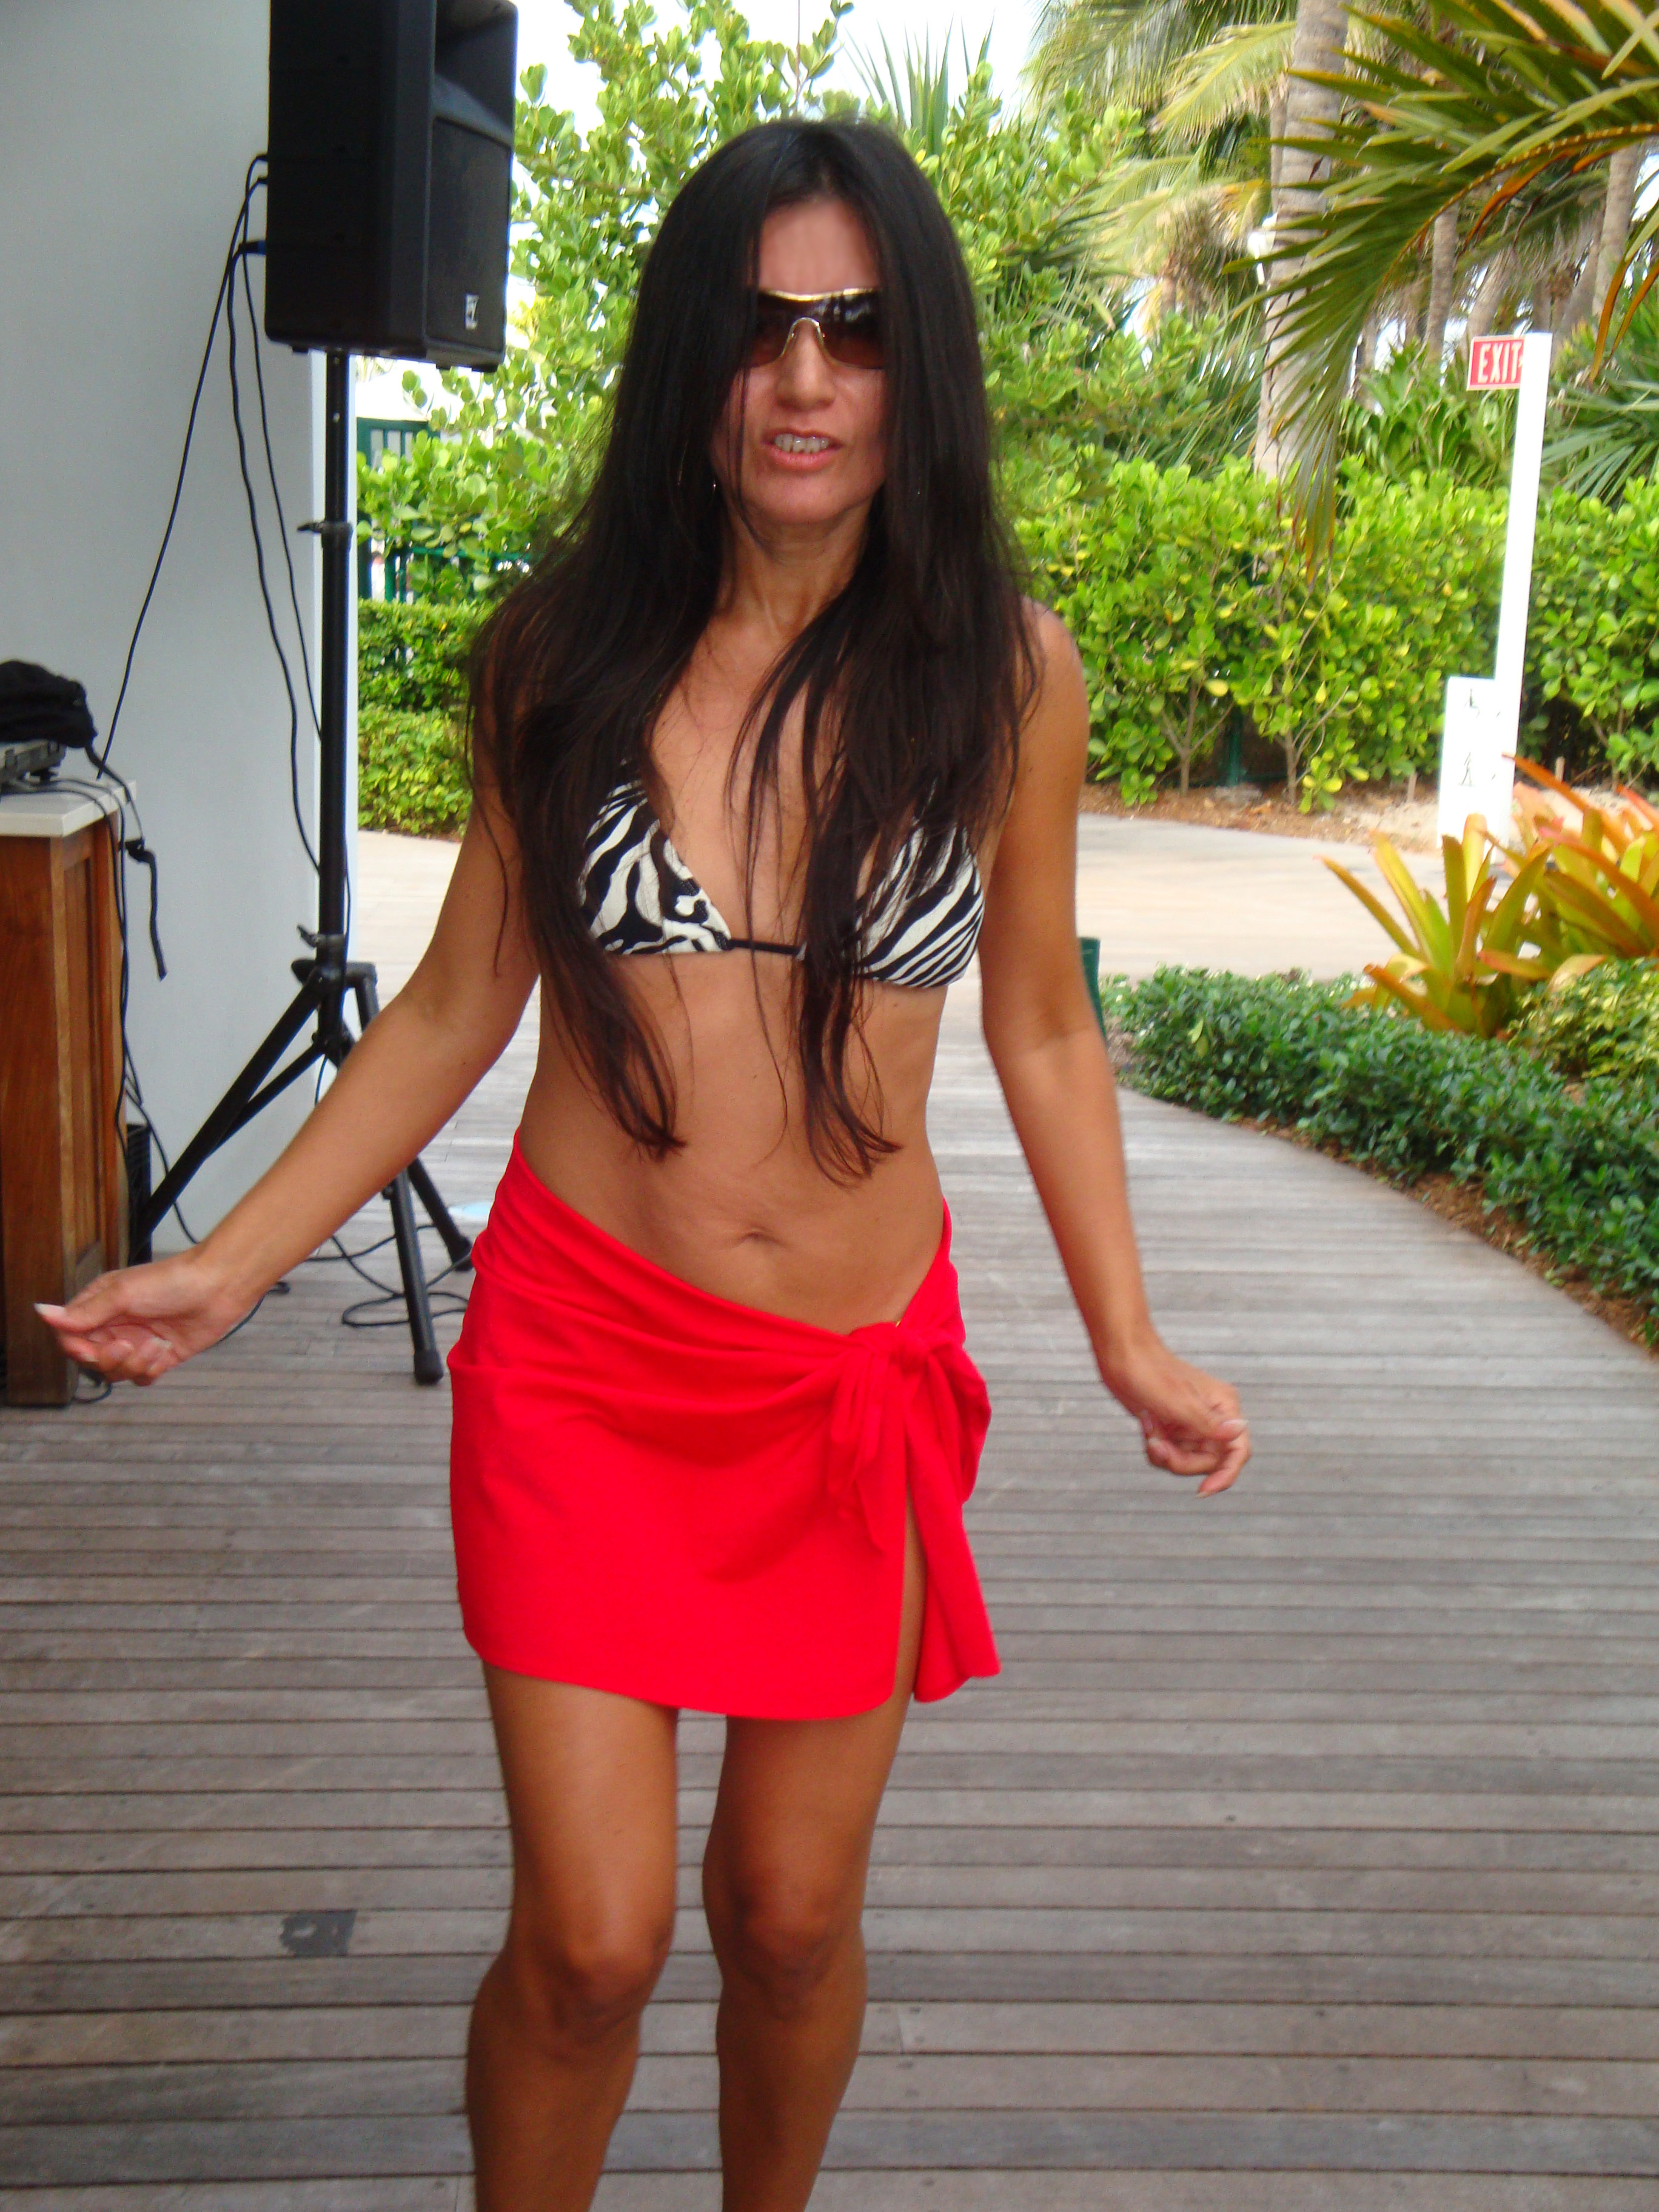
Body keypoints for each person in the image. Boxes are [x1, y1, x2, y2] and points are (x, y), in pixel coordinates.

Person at [40, 117, 1248, 2212]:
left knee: (788, 1912)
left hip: (845, 1379)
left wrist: (1128, 1338)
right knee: (591, 1943)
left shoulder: (1005, 673)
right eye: (759, 330)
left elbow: (1045, 1023)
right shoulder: (563, 658)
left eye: (854, 331)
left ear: (918, 367)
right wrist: (225, 1267)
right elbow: (452, 1008)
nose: (803, 380)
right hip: (588, 1365)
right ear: (692, 358)